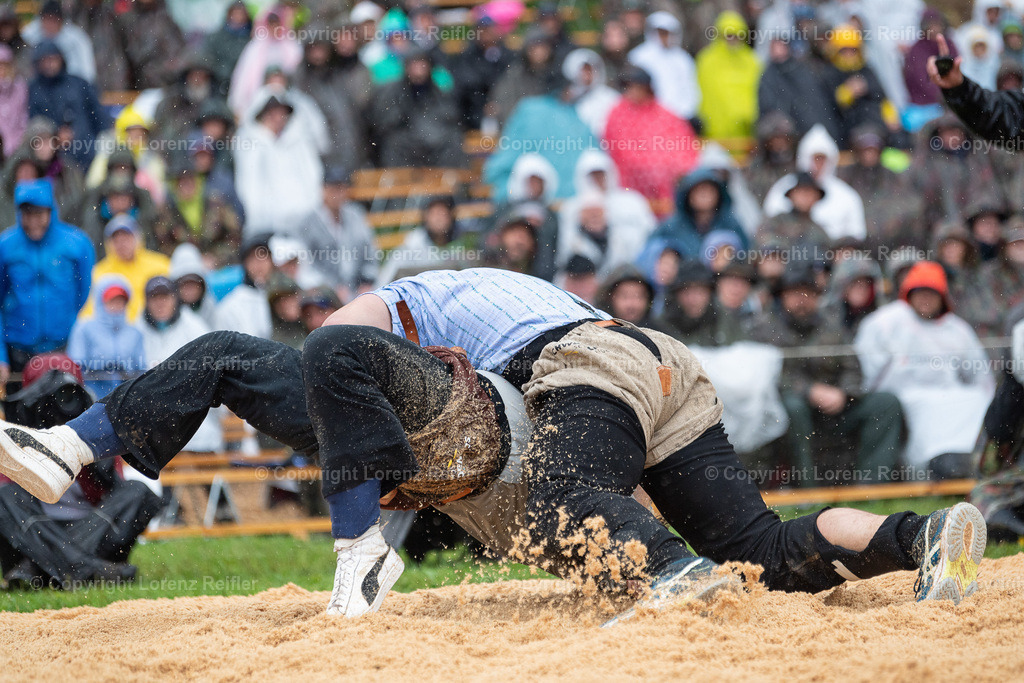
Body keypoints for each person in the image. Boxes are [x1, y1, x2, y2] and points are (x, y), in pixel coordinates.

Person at [0, 268, 989, 620]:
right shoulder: (470, 302)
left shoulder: (399, 304)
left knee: (562, 501)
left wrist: (361, 491)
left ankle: (672, 574)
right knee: (764, 550)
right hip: (666, 376)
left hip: (587, 364)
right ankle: (920, 538)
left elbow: (340, 357)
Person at [748, 267, 904, 485]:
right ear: (782, 297)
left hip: (835, 409)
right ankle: (807, 489)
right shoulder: (764, 330)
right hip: (791, 412)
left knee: (886, 403)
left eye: (808, 293)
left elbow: (853, 367)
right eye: (794, 293)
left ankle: (871, 486)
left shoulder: (832, 327)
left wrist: (843, 393)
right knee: (794, 407)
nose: (802, 300)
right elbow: (768, 375)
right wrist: (809, 390)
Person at [855, 261, 995, 478]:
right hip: (904, 396)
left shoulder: (957, 329)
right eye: (920, 293)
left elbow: (981, 375)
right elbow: (866, 369)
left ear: (942, 298)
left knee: (977, 398)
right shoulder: (885, 323)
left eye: (932, 293)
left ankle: (973, 460)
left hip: (951, 394)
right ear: (908, 295)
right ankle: (931, 466)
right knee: (927, 411)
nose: (926, 299)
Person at [0, 179, 94, 387]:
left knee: (62, 405)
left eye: (39, 214)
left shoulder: (77, 243)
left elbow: (83, 292)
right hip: (17, 350)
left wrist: (63, 321)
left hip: (63, 348)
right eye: (27, 214)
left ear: (51, 211)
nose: (33, 221)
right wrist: (1, 356)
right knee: (18, 406)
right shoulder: (5, 246)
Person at [603, 66, 699, 212]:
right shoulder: (617, 113)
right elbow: (617, 147)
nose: (633, 92)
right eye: (629, 87)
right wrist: (647, 167)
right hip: (631, 184)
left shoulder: (664, 113)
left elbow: (683, 144)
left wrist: (669, 166)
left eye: (638, 87)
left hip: (668, 186)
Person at [235, 90, 324, 236]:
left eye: (281, 113)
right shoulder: (250, 144)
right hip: (268, 224)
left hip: (303, 221)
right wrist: (258, 219)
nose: (278, 118)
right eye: (272, 113)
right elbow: (249, 186)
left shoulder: (299, 141)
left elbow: (313, 175)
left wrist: (312, 209)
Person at [763, 124, 867, 241]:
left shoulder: (845, 195)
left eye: (822, 159)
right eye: (815, 158)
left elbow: (856, 232)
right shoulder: (784, 187)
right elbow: (769, 224)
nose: (818, 164)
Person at [289, 166, 378, 301]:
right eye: (334, 189)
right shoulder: (307, 223)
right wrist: (331, 288)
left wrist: (366, 281)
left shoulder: (356, 216)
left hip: (357, 289)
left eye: (342, 188)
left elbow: (370, 252)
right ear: (323, 190)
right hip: (322, 293)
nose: (338, 194)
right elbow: (306, 264)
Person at [369, 49, 465, 168]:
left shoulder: (438, 92)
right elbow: (384, 123)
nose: (418, 71)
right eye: (414, 66)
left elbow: (449, 117)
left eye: (422, 65)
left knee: (453, 140)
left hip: (434, 142)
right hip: (405, 142)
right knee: (393, 143)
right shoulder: (393, 92)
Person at [27, 40, 110, 169]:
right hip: (53, 160)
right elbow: (34, 122)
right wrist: (55, 135)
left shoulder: (79, 84)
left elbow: (97, 115)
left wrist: (100, 140)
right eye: (45, 60)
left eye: (53, 59)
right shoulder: (34, 90)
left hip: (87, 150)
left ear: (61, 59)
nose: (50, 64)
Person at [80, 214, 171, 323]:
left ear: (138, 238)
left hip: (154, 327)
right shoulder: (99, 273)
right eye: (116, 240)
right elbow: (89, 312)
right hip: (117, 329)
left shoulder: (160, 265)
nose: (122, 243)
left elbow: (173, 300)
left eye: (126, 237)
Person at [67, 276, 147, 397]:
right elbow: (75, 365)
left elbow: (141, 368)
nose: (116, 306)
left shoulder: (135, 333)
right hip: (92, 394)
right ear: (101, 302)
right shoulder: (84, 328)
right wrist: (100, 371)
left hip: (125, 395)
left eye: (121, 301)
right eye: (111, 301)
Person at [651, 168, 748, 261]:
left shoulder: (730, 224)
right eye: (698, 190)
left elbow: (745, 255)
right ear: (688, 195)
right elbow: (652, 253)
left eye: (709, 190)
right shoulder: (672, 227)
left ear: (718, 194)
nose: (704, 195)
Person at [695, 12, 761, 141]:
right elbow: (703, 93)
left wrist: (748, 115)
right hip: (714, 131)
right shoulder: (707, 60)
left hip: (746, 131)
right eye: (729, 35)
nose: (733, 40)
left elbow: (757, 91)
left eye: (737, 35)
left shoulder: (751, 61)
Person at [627, 11, 700, 121]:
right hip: (648, 117)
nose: (664, 37)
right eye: (661, 33)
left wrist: (687, 112)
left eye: (667, 33)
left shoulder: (682, 59)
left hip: (680, 117)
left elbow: (690, 89)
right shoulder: (638, 56)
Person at [22, 0, 96, 84]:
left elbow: (87, 72)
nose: (50, 24)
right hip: (38, 85)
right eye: (47, 19)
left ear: (61, 21)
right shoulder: (28, 36)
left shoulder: (78, 39)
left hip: (69, 85)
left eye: (54, 20)